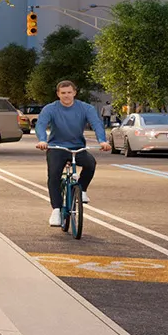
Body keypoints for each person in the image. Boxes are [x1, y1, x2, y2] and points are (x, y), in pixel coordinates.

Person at [37, 78, 106, 227]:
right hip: (56, 147)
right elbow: (41, 125)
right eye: (63, 93)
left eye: (69, 92)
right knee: (54, 175)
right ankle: (56, 210)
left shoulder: (86, 108)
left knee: (90, 163)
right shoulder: (50, 108)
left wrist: (102, 140)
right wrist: (43, 140)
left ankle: (82, 190)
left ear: (74, 92)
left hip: (77, 147)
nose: (66, 95)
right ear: (58, 94)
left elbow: (97, 124)